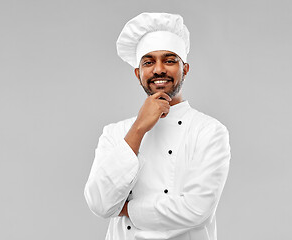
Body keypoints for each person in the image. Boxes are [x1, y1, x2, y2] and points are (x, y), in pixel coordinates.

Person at [84, 12, 231, 240]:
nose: (159, 69)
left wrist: (127, 210)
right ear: (138, 73)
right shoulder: (114, 133)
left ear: (185, 69)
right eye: (148, 62)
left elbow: (196, 209)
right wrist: (139, 128)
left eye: (170, 60)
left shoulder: (209, 131)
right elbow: (100, 203)